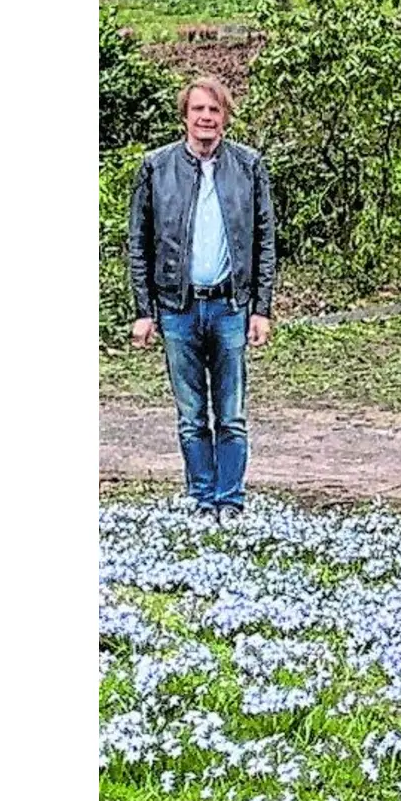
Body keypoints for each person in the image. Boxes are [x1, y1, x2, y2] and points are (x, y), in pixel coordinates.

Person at [127, 76, 277, 522]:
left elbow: (264, 240)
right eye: (198, 109)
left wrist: (261, 308)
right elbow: (140, 242)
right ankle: (200, 498)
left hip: (230, 306)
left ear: (225, 117)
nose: (206, 118)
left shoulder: (249, 166)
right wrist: (144, 311)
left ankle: (230, 500)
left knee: (231, 413)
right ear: (185, 116)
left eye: (214, 110)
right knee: (191, 413)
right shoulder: (156, 168)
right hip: (178, 308)